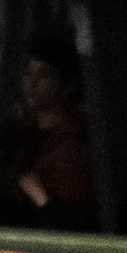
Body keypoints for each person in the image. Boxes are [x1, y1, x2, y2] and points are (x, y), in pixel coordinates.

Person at [15, 34, 95, 215]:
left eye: (43, 75)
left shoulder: (70, 146)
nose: (31, 83)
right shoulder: (27, 130)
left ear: (67, 84)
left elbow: (73, 221)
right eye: (28, 73)